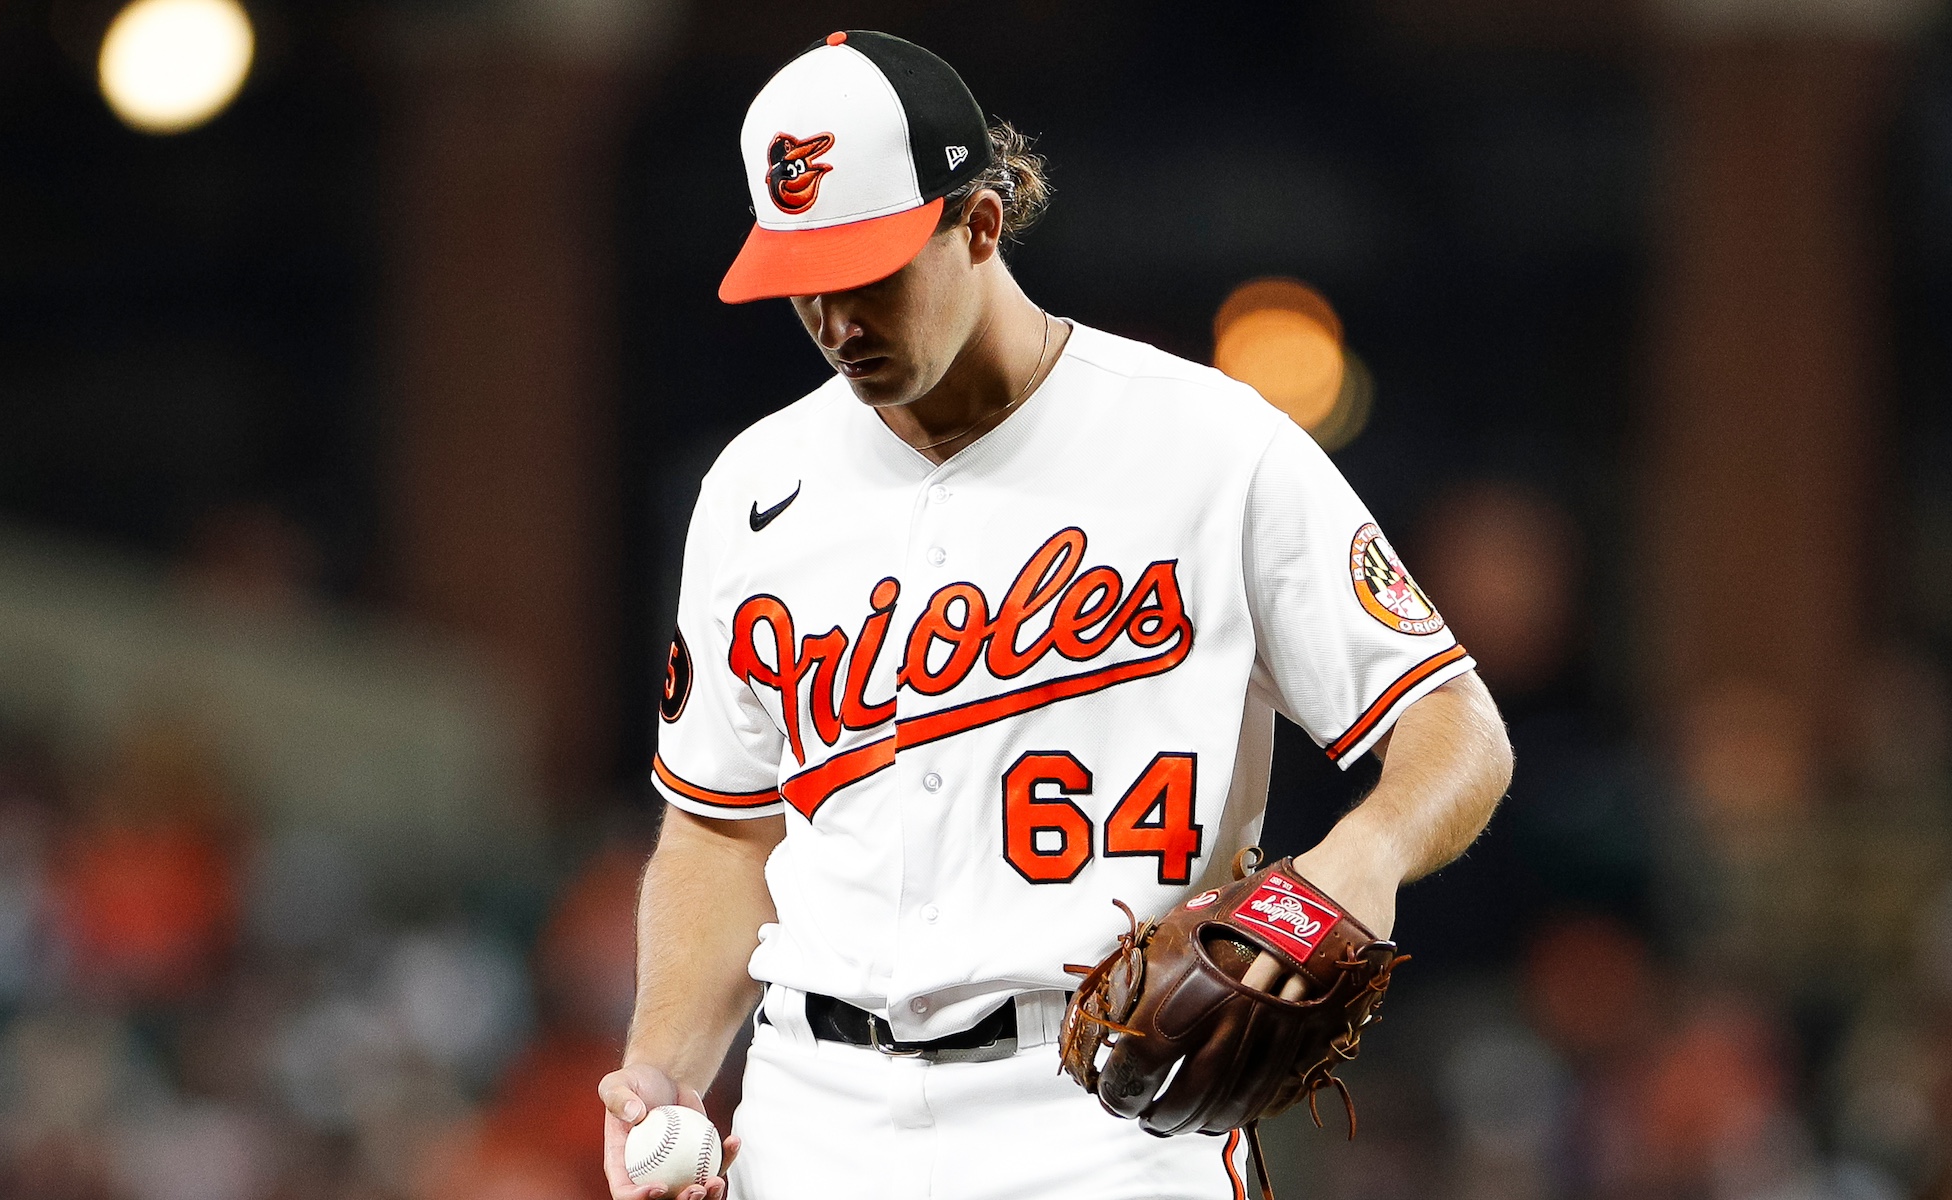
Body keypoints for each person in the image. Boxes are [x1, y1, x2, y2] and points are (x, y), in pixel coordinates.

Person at [599, 30, 1513, 1200]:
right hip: (814, 1113)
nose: (836, 316)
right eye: (803, 281)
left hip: (1107, 1111)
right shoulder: (751, 488)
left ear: (981, 224)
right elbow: (723, 827)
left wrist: (1361, 856)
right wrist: (664, 1070)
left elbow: (1456, 724)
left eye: (871, 269)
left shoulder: (1207, 445)